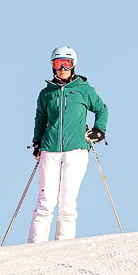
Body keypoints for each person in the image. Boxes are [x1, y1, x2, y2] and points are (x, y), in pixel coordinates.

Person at [27, 46, 108, 242]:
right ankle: (35, 245)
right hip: (50, 150)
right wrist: (37, 142)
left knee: (67, 201)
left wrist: (99, 130)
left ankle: (64, 246)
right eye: (58, 63)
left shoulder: (84, 90)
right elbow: (40, 119)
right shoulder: (46, 93)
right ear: (52, 66)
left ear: (73, 66)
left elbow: (101, 109)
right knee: (45, 201)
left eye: (67, 63)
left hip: (76, 150)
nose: (62, 68)